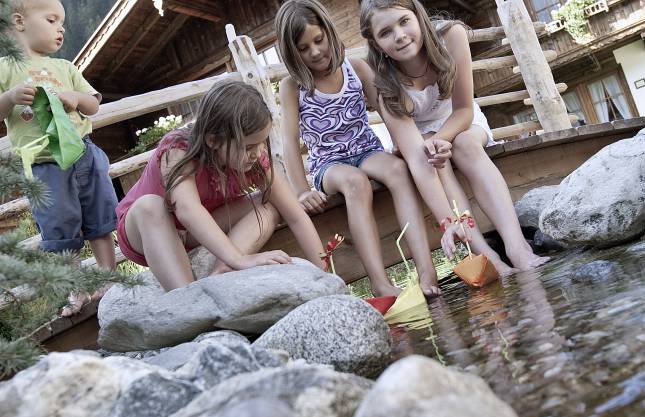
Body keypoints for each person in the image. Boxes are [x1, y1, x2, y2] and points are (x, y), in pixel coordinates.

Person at [359, 0, 550, 272]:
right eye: (385, 32)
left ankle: (517, 248)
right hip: (417, 139)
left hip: (461, 121)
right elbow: (415, 154)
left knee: (465, 146)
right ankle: (488, 259)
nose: (399, 35)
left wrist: (442, 137)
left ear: (418, 15)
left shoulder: (451, 36)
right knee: (435, 163)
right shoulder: (381, 79)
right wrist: (447, 222)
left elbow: (463, 110)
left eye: (404, 21)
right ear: (376, 43)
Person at [275, 0, 445, 296]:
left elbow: (388, 111)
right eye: (303, 48)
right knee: (356, 183)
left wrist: (402, 147)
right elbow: (289, 142)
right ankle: (380, 284)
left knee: (398, 170)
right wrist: (302, 191)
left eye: (318, 40)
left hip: (367, 149)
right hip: (328, 165)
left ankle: (426, 271)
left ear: (329, 31)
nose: (315, 51)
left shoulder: (355, 68)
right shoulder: (292, 87)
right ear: (292, 53)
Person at [115, 80, 327, 291]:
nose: (259, 152)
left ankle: (223, 272)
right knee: (150, 206)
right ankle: (190, 300)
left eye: (262, 142)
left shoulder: (254, 158)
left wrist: (325, 275)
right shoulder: (178, 149)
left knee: (271, 204)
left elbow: (295, 215)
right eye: (250, 146)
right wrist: (240, 259)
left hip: (195, 231)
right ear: (213, 140)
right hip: (148, 229)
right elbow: (188, 210)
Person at [0, 0, 117, 315]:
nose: (61, 27)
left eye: (62, 22)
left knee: (99, 217)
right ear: (20, 22)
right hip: (44, 162)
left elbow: (93, 104)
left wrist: (75, 98)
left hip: (83, 151)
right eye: (52, 20)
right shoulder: (5, 68)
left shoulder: (65, 67)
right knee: (60, 228)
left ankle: (108, 278)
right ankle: (74, 289)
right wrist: (9, 98)